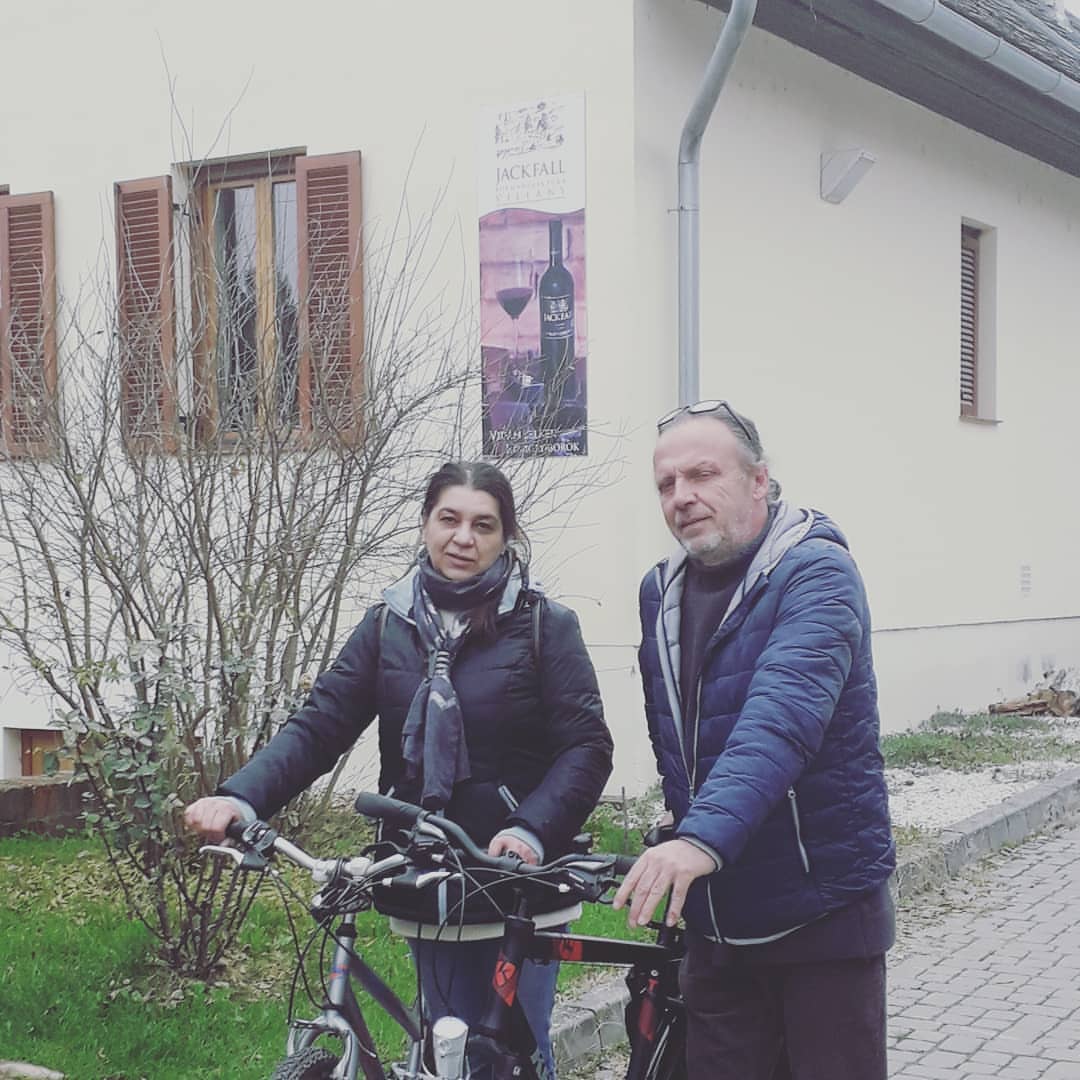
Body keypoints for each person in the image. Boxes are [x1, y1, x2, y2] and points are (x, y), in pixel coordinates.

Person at [186, 461, 613, 1077]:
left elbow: (587, 748)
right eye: (449, 519)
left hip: (519, 883)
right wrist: (240, 798)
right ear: (425, 525)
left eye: (483, 525)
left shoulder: (545, 626)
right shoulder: (390, 624)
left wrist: (530, 830)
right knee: (443, 1049)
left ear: (506, 537)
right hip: (425, 874)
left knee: (508, 1059)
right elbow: (320, 725)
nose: (463, 538)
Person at [613, 400, 895, 1080]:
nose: (682, 496)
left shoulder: (817, 572)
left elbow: (782, 717)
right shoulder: (660, 591)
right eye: (666, 483)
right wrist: (679, 823)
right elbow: (674, 733)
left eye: (703, 474)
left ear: (759, 480)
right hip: (719, 922)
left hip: (821, 916)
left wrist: (699, 839)